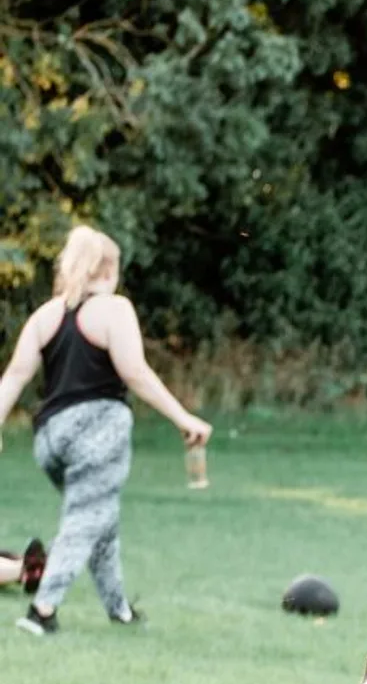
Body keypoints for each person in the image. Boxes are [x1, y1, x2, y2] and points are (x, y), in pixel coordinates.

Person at [0, 224, 211, 636]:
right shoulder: (115, 309)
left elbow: (13, 379)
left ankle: (120, 612)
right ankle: (42, 610)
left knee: (101, 520)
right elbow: (135, 372)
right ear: (109, 269)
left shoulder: (46, 316)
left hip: (51, 439)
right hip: (99, 431)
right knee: (84, 518)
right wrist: (184, 418)